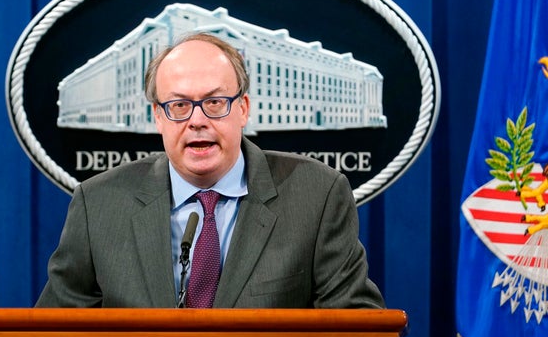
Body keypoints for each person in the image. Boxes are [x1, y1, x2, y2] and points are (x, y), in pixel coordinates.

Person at [36, 32, 384, 309]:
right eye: (179, 105)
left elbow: (356, 333)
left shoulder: (316, 195)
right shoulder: (97, 204)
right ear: (158, 117)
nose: (197, 121)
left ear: (243, 109)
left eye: (215, 103)